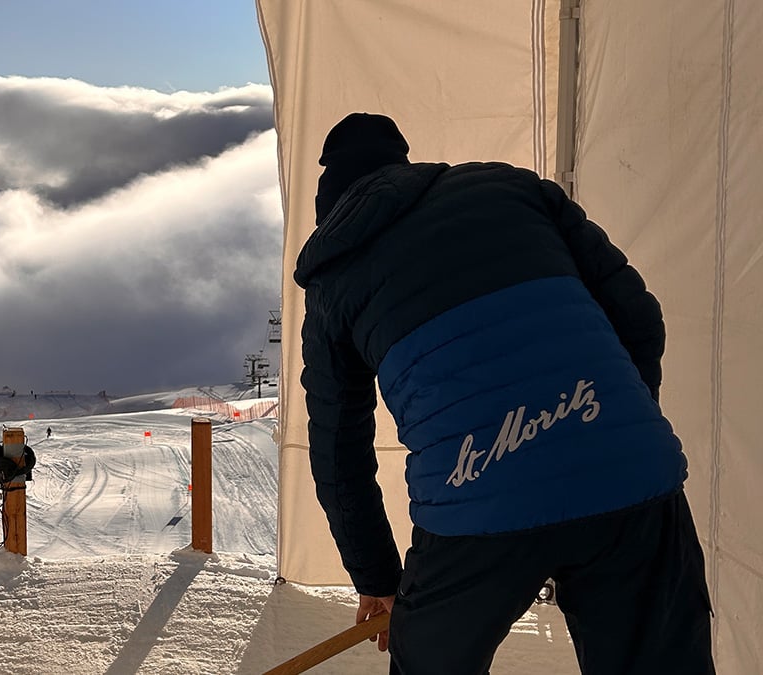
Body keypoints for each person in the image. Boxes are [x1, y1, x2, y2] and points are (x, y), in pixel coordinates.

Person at [294, 112, 714, 674]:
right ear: (402, 163)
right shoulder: (512, 188)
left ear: (332, 205)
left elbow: (338, 449)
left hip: (474, 502)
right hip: (631, 483)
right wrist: (608, 428)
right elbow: (640, 318)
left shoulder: (333, 276)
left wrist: (377, 579)